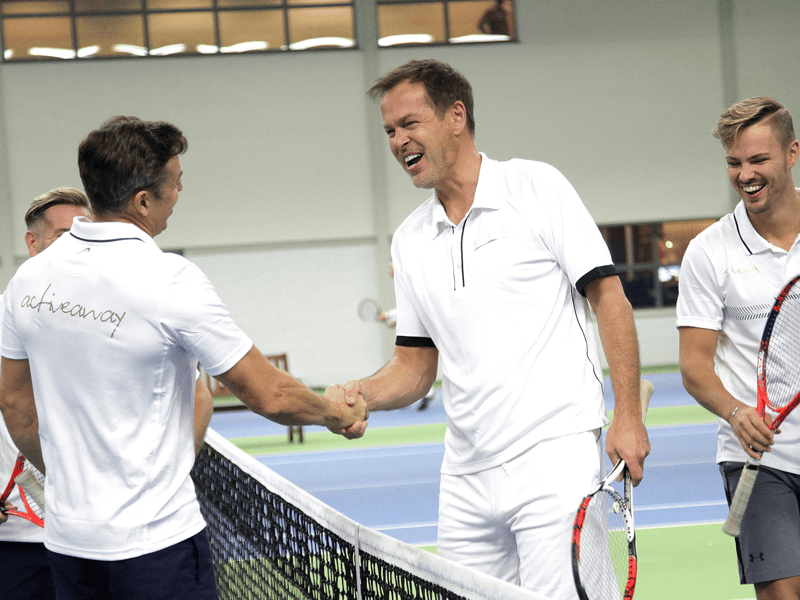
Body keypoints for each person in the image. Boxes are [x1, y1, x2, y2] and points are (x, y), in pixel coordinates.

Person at [0, 116, 367, 600]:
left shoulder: (28, 280)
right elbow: (268, 393)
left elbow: (14, 404)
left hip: (68, 545)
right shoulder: (170, 278)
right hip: (156, 549)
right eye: (175, 185)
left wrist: (72, 475)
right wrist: (336, 413)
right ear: (143, 201)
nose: (178, 195)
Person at [343, 59, 648, 597]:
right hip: (464, 473)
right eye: (389, 130)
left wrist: (627, 416)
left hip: (554, 454)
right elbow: (415, 366)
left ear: (455, 116)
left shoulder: (536, 186)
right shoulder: (408, 241)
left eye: (410, 124)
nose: (398, 141)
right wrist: (362, 393)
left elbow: (609, 298)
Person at [678, 97, 800, 600]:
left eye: (758, 160)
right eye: (734, 163)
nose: (745, 174)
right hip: (758, 460)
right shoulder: (709, 251)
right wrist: (734, 411)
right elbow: (694, 366)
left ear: (792, 153)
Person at [0, 188, 91, 599]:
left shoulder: (119, 315)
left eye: (85, 234)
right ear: (32, 243)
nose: (77, 246)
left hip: (101, 536)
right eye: (62, 235)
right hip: (17, 542)